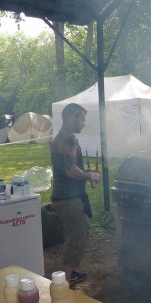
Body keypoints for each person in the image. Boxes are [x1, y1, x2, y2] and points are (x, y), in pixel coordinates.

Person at [51, 103, 101, 286]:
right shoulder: (68, 138)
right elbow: (70, 170)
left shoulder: (63, 137)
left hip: (66, 197)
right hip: (68, 199)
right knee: (77, 238)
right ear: (72, 117)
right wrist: (90, 175)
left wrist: (86, 171)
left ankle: (69, 274)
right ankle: (66, 281)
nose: (84, 123)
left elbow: (69, 168)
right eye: (82, 118)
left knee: (75, 235)